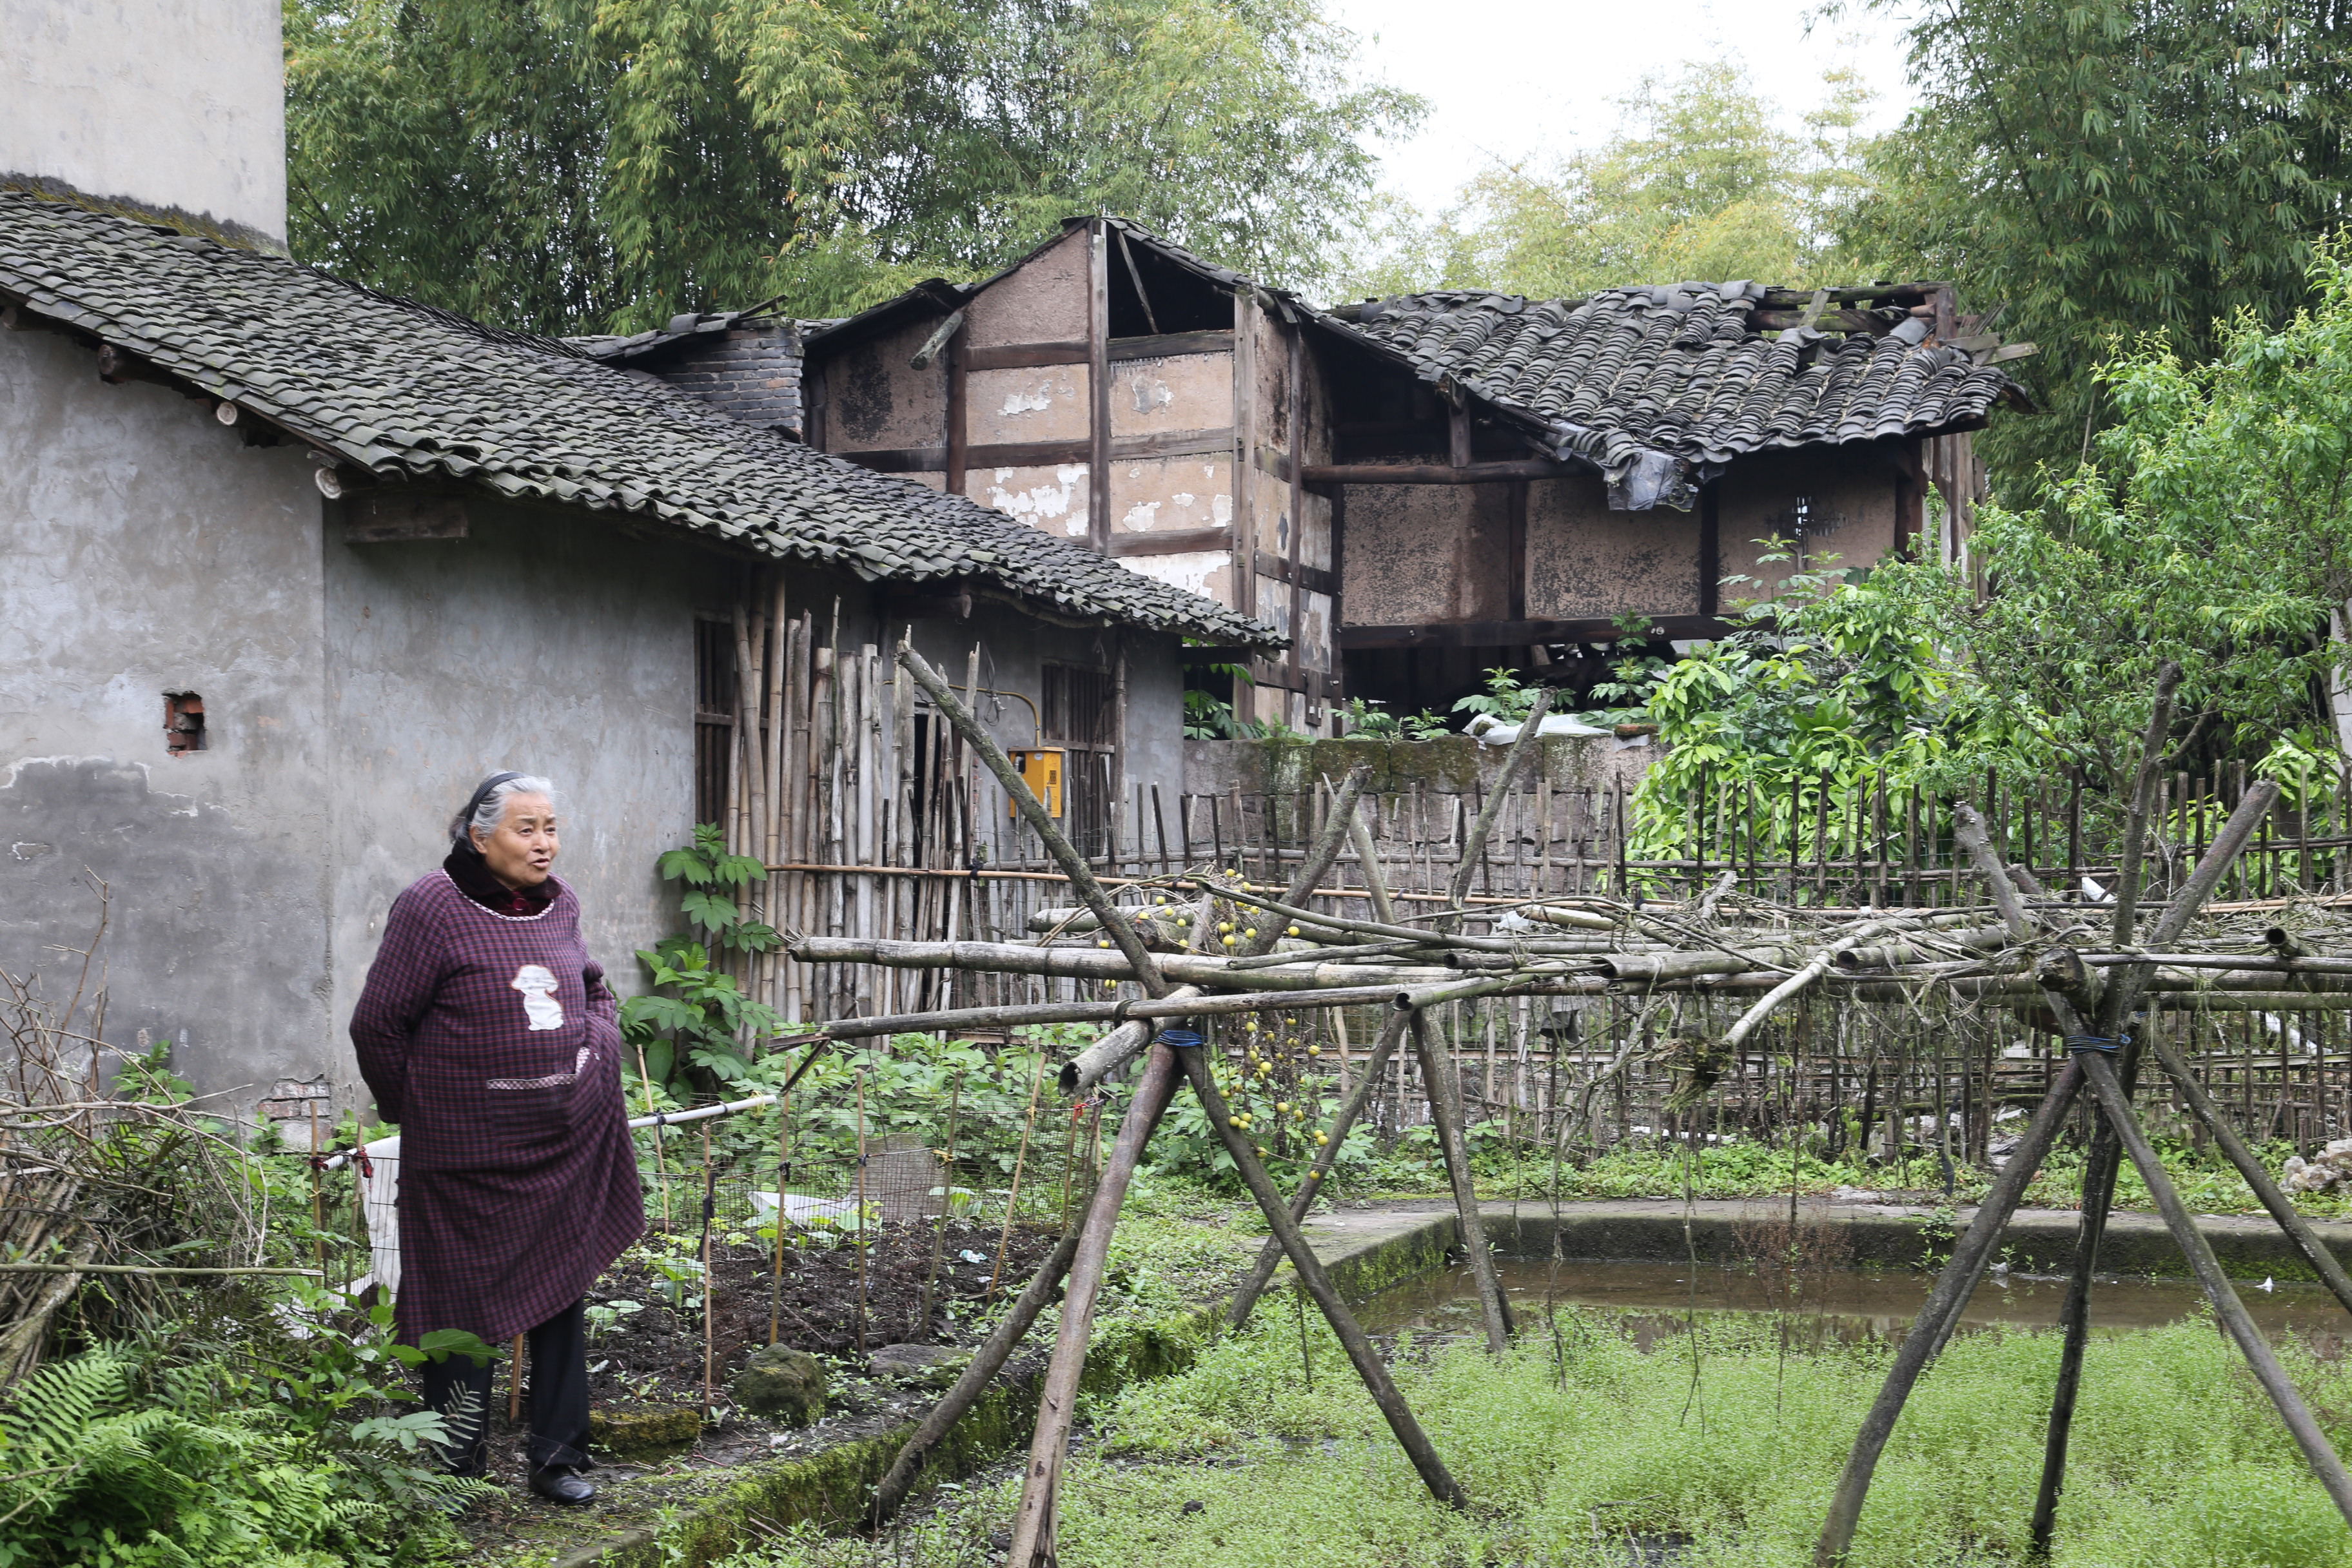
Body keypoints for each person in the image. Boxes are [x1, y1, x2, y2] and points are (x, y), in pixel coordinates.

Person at [351, 772, 644, 1504]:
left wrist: (596, 1048)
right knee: (458, 1300)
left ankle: (558, 1459)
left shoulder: (562, 902)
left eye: (550, 826)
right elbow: (377, 1023)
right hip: (463, 1154)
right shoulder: (431, 906)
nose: (544, 842)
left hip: (561, 1142)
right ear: (479, 837)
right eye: (526, 828)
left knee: (561, 1292)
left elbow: (595, 986)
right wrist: (413, 1107)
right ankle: (456, 1465)